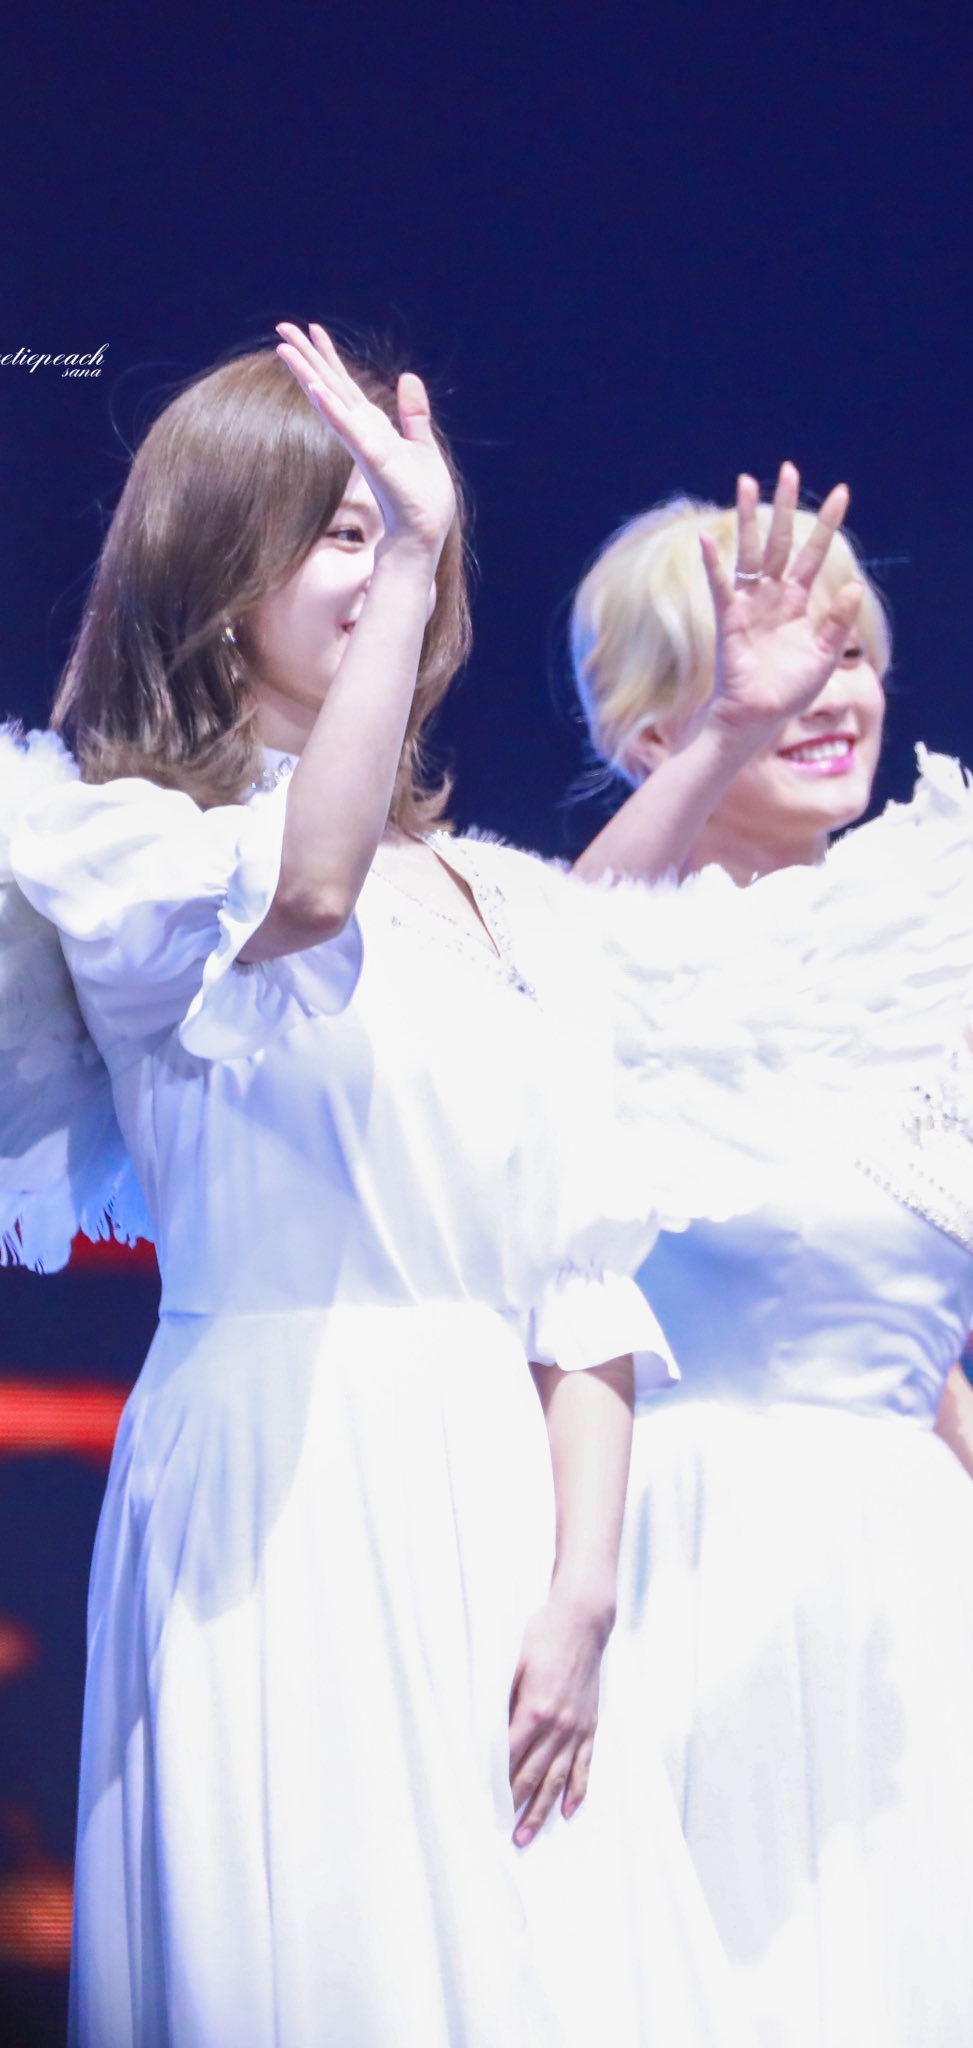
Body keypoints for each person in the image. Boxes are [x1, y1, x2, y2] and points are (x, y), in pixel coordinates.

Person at [0, 328, 949, 2046]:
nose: (385, 558)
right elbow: (306, 893)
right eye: (335, 530)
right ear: (218, 569)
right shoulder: (123, 850)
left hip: (490, 1487)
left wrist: (583, 1583)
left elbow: (580, 1171)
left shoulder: (475, 893)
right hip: (287, 1477)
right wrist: (414, 553)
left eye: (392, 529)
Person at [568, 471, 973, 2048]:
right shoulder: (612, 962)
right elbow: (548, 984)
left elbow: (903, 1340)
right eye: (761, 665)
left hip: (909, 1572)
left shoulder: (934, 952)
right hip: (686, 1556)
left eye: (848, 650)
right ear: (649, 736)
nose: (825, 691)